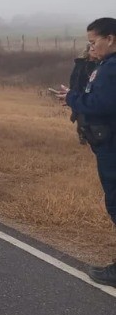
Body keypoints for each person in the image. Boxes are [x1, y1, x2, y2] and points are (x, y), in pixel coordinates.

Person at [58, 17, 116, 287]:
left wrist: (71, 98)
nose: (91, 47)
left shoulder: (111, 67)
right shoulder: (105, 65)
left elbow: (98, 103)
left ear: (110, 39)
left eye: (93, 42)